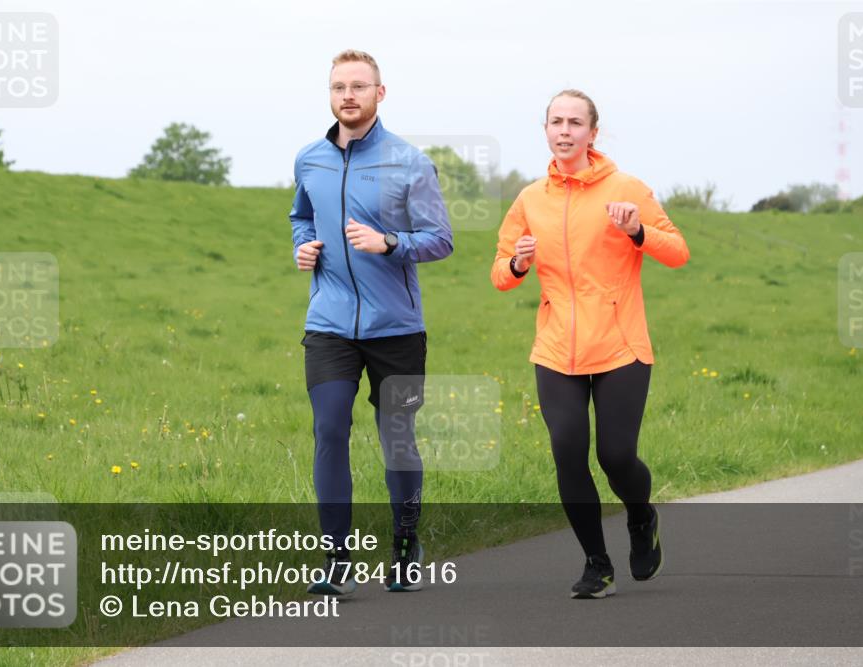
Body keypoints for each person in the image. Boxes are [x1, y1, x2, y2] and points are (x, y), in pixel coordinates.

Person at [491, 89, 690, 599]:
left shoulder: (627, 188)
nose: (564, 130)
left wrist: (637, 230)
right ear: (546, 130)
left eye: (574, 122)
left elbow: (677, 252)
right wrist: (518, 262)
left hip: (620, 345)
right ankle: (597, 565)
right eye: (556, 121)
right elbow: (500, 274)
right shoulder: (530, 199)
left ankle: (641, 517)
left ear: (592, 133)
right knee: (568, 453)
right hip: (556, 348)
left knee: (616, 456)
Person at [289, 49, 453, 595]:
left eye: (359, 86)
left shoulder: (409, 162)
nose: (348, 96)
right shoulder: (310, 159)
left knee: (398, 439)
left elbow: (440, 239)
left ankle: (405, 544)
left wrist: (390, 242)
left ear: (379, 94)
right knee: (330, 429)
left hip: (396, 329)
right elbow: (301, 216)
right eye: (339, 87)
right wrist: (302, 247)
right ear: (330, 94)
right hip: (329, 323)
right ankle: (337, 559)